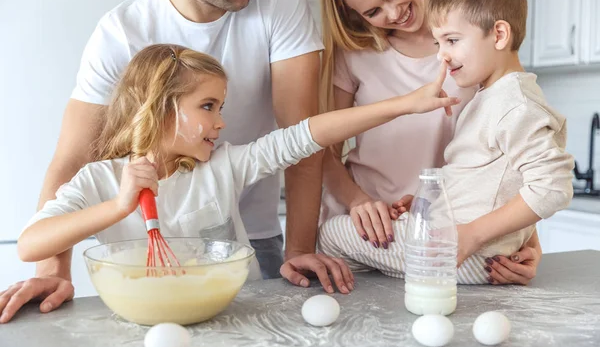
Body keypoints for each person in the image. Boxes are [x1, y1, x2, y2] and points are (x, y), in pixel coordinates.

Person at [0, 0, 340, 324]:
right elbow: (71, 162)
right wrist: (52, 271)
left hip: (252, 238)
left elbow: (301, 137)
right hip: (148, 259)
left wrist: (299, 248)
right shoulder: (122, 32)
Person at [17, 44, 459, 286]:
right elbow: (30, 244)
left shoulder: (223, 167)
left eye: (221, 106)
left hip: (236, 320)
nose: (221, 121)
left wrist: (406, 104)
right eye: (208, 106)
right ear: (160, 108)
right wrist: (118, 207)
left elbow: (309, 134)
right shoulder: (100, 181)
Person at [317, 0, 574, 283]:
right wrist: (420, 203)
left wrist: (523, 241)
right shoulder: (357, 51)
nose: (393, 12)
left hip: (457, 242)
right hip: (404, 223)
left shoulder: (481, 50)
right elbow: (320, 151)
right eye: (373, 11)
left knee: (334, 242)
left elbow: (533, 175)